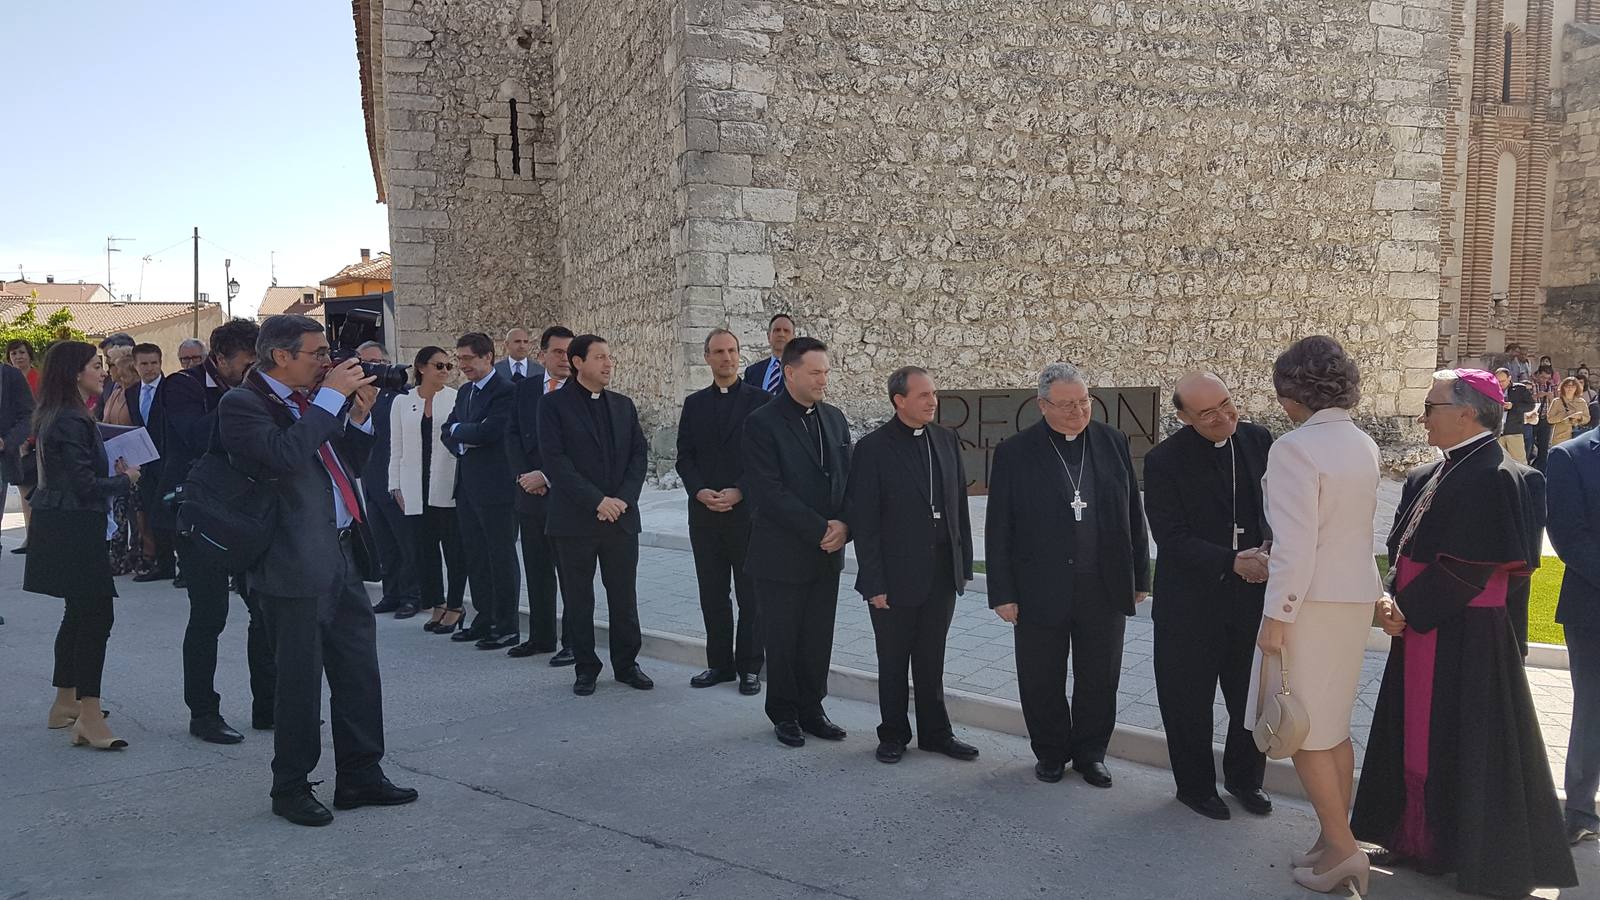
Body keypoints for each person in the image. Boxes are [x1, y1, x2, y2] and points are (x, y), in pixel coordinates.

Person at [1351, 369, 1577, 897]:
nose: (1423, 415)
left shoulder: (1499, 475)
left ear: (1467, 411)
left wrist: (1408, 608)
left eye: (1431, 406)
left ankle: (1452, 846)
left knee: (1464, 742)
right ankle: (1412, 836)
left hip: (1465, 636)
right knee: (1414, 735)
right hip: (1422, 624)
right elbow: (1403, 546)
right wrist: (1388, 596)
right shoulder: (1431, 472)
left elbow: (1472, 568)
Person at [219, 314, 416, 827]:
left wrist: (356, 419)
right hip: (289, 563)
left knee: (357, 671)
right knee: (300, 682)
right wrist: (330, 400)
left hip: (341, 553)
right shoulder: (242, 405)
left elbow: (340, 461)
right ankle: (290, 786)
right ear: (280, 356)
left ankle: (360, 774)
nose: (328, 363)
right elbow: (282, 457)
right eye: (317, 354)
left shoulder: (311, 402)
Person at [1252, 335, 1383, 895]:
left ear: (1290, 392)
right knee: (1330, 726)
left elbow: (1294, 545)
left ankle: (1344, 849)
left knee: (1302, 728)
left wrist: (1277, 616)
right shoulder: (1362, 442)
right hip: (1349, 600)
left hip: (1308, 602)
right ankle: (1335, 838)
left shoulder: (1294, 448)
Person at [985, 363, 1149, 789]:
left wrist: (1140, 577)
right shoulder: (1015, 452)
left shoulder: (1112, 442)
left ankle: (1091, 753)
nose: (1078, 411)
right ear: (1042, 405)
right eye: (1067, 404)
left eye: (1083, 402)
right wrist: (1002, 592)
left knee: (1101, 676)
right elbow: (999, 526)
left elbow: (1132, 512)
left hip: (1104, 584)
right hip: (1040, 587)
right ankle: (1051, 752)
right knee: (1042, 676)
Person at [1143, 372, 1272, 820]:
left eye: (1227, 403)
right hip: (1190, 605)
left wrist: (1267, 554)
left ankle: (1244, 780)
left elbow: (1278, 510)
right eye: (1207, 413)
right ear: (1183, 418)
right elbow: (1171, 536)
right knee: (1188, 702)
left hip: (1251, 599)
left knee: (1248, 698)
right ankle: (1195, 787)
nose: (1223, 417)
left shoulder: (1259, 441)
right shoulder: (1164, 461)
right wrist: (1232, 560)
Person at [848, 365, 978, 764]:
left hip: (940, 572)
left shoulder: (946, 439)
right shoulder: (873, 448)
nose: (932, 401)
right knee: (893, 660)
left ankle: (936, 734)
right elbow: (865, 522)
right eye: (923, 396)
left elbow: (958, 507)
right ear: (898, 400)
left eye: (933, 394)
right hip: (893, 576)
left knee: (931, 658)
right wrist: (874, 582)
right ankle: (892, 734)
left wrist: (964, 565)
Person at [26, 340, 138, 749]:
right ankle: (89, 715)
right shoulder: (71, 419)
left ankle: (65, 703)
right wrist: (126, 479)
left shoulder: (62, 414)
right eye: (95, 365)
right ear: (75, 373)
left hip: (63, 526)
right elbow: (85, 485)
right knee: (95, 618)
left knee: (78, 615)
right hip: (74, 528)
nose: (103, 371)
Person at [162, 319, 268, 744]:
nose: (252, 372)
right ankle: (203, 713)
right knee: (209, 617)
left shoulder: (252, 389)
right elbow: (192, 436)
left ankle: (268, 705)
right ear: (219, 359)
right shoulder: (183, 386)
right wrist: (247, 399)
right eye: (246, 365)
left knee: (263, 612)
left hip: (250, 513)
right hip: (200, 515)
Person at [742, 336, 852, 746]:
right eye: (815, 372)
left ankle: (813, 707)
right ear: (790, 373)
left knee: (817, 637)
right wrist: (819, 529)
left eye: (826, 371)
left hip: (827, 554)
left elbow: (847, 478)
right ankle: (784, 712)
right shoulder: (761, 422)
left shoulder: (835, 418)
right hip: (782, 554)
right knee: (784, 637)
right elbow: (767, 491)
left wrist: (845, 525)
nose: (823, 379)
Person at [539, 334, 653, 695]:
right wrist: (596, 501)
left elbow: (638, 456)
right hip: (575, 521)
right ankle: (585, 666)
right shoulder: (553, 406)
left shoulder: (623, 405)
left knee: (624, 596)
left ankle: (626, 663)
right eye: (600, 357)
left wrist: (621, 499)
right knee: (578, 597)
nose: (608, 364)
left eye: (610, 357)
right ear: (578, 362)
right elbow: (557, 462)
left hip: (620, 518)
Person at [677, 328, 768, 693]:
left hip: (746, 515)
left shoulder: (760, 401)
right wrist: (699, 491)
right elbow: (685, 456)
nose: (726, 357)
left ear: (739, 355)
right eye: (718, 352)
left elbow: (765, 459)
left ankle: (749, 666)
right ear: (707, 358)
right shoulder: (695, 403)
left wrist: (740, 491)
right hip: (704, 516)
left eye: (731, 351)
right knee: (712, 593)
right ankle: (719, 665)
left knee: (751, 594)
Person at [442, 332, 521, 649]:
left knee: (500, 556)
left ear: (488, 357)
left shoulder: (506, 392)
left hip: (497, 488)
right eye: (459, 358)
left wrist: (462, 431)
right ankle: (483, 618)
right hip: (467, 487)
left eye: (468, 359)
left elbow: (492, 431)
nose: (462, 365)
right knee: (475, 556)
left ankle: (506, 625)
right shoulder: (464, 393)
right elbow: (448, 430)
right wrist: (463, 433)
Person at [1547, 414, 1600, 847]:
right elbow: (1568, 537)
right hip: (1593, 609)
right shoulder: (1571, 456)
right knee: (1593, 711)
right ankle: (1580, 810)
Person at [507, 326, 575, 661]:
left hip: (566, 497)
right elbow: (513, 434)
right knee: (537, 570)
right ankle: (541, 636)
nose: (565, 359)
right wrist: (523, 476)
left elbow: (580, 448)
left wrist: (547, 476)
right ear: (542, 354)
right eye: (558, 352)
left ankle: (574, 642)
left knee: (570, 574)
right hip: (529, 495)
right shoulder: (525, 390)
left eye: (569, 352)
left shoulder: (581, 391)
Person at [389, 346, 466, 633]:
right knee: (424, 551)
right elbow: (395, 446)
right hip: (413, 485)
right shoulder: (402, 402)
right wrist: (394, 484)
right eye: (439, 366)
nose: (445, 371)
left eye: (448, 366)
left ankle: (457, 605)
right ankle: (437, 603)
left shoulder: (455, 398)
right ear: (421, 368)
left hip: (446, 484)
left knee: (454, 550)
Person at [359, 341, 421, 620]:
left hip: (396, 481)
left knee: (406, 543)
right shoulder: (355, 396)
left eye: (375, 362)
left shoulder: (402, 396)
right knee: (384, 543)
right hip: (371, 481)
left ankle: (412, 596)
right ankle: (391, 592)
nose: (370, 368)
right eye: (364, 362)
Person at [129, 343, 174, 582]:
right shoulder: (132, 392)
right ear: (135, 365)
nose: (150, 369)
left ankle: (177, 566)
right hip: (144, 464)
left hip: (168, 461)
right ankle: (162, 563)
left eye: (154, 363)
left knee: (169, 514)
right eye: (144, 364)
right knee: (150, 514)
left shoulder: (171, 390)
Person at [99, 351, 144, 576]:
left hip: (134, 460)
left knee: (135, 513)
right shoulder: (115, 392)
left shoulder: (135, 393)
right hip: (115, 459)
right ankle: (116, 557)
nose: (109, 371)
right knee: (118, 511)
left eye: (113, 365)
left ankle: (136, 555)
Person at [743, 313, 794, 396]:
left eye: (786, 331)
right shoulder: (752, 372)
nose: (781, 334)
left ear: (793, 337)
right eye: (777, 330)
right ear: (768, 336)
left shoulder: (801, 372)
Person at [1495, 367, 1533, 464]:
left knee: (1519, 461)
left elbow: (1530, 405)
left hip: (1514, 430)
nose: (1501, 384)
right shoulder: (1493, 389)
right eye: (1498, 381)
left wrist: (1514, 406)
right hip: (1498, 432)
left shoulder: (1520, 389)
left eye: (1503, 381)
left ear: (1509, 378)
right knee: (1500, 462)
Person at [1549, 376, 1591, 447]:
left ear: (1577, 388)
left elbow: (1587, 418)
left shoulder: (1582, 402)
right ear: (1563, 387)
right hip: (1560, 436)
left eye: (1573, 386)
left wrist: (1579, 417)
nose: (1570, 388)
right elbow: (1550, 419)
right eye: (1567, 386)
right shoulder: (1556, 402)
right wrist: (1564, 415)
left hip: (1578, 436)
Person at [1529, 367, 1556, 470]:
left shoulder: (1550, 386)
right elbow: (1524, 400)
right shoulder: (1531, 384)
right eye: (1542, 377)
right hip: (1532, 419)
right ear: (1537, 374)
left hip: (1545, 419)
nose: (1544, 380)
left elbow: (1555, 402)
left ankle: (1542, 470)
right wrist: (1535, 396)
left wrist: (1550, 397)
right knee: (1530, 445)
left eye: (1547, 378)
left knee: (1544, 447)